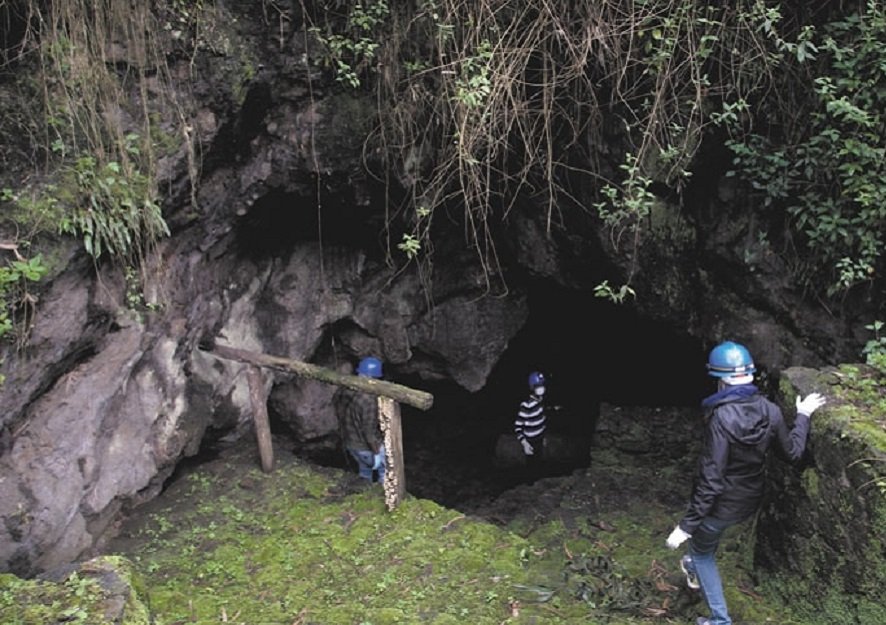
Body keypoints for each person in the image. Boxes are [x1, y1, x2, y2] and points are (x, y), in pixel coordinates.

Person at [665, 341, 826, 625]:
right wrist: (803, 416)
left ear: (721, 381)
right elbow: (792, 453)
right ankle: (693, 565)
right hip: (750, 500)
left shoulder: (720, 418)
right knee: (705, 543)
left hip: (721, 505)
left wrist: (686, 526)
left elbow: (712, 479)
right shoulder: (771, 411)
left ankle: (719, 619)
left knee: (701, 551)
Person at [333, 356, 386, 483]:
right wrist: (378, 452)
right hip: (364, 448)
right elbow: (369, 432)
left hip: (351, 444)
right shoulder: (369, 401)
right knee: (386, 471)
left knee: (364, 471)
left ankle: (364, 492)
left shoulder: (348, 390)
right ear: (373, 378)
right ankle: (383, 495)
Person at [515, 371, 548, 471]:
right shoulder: (526, 405)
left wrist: (544, 436)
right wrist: (525, 443)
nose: (541, 388)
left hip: (539, 439)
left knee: (539, 462)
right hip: (530, 441)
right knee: (531, 466)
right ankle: (530, 484)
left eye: (542, 385)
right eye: (538, 386)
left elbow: (542, 420)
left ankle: (538, 483)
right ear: (532, 388)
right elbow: (518, 426)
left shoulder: (541, 401)